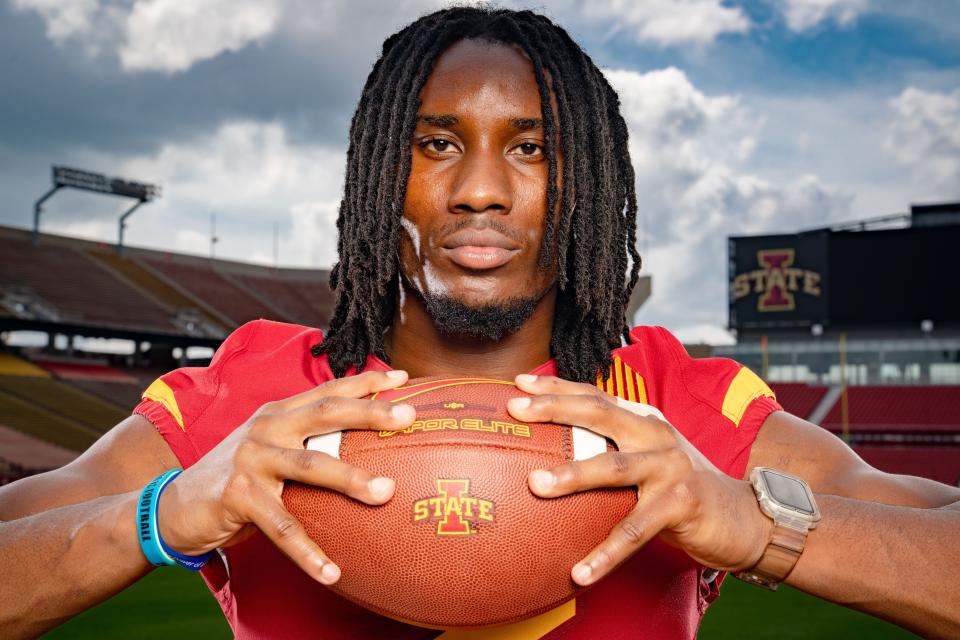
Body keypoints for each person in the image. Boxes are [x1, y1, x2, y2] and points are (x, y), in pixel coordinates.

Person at [1, 6, 958, 639]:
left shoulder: (674, 404)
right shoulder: (256, 399)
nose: (482, 192)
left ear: (589, 183)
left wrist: (754, 524)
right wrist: (162, 513)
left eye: (533, 148)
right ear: (381, 172)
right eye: (436, 143)